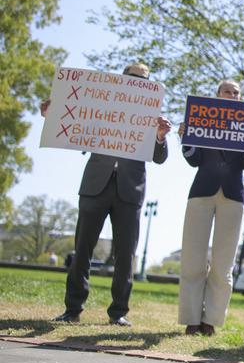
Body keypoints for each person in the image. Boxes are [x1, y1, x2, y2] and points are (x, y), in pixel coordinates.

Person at [46, 63, 171, 327]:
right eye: (132, 77)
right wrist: (54, 113)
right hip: (95, 185)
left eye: (143, 79)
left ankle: (118, 313)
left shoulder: (152, 116)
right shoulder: (102, 106)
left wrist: (160, 137)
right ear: (122, 79)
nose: (137, 81)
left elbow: (159, 157)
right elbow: (75, 126)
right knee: (82, 249)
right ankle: (73, 309)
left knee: (125, 254)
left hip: (130, 190)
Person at [177, 79, 244, 336]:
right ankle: (191, 319)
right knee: (193, 258)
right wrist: (186, 138)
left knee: (223, 263)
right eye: (227, 91)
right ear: (217, 94)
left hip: (233, 196)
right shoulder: (202, 118)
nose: (232, 95)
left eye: (236, 92)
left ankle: (210, 320)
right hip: (202, 191)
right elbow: (193, 160)